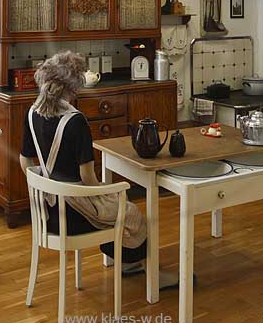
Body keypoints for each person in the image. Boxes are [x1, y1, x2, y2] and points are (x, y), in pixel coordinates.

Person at [18, 51, 178, 287]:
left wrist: (48, 186)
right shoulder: (75, 121)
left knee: (115, 208)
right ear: (72, 88)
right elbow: (88, 179)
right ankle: (154, 278)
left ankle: (127, 262)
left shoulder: (33, 113)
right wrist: (113, 191)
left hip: (48, 213)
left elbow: (25, 162)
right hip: (75, 216)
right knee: (131, 212)